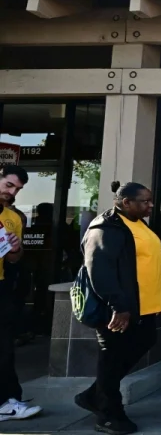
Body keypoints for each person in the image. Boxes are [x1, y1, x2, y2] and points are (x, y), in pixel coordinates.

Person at [76, 181, 161, 435]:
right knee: (111, 359)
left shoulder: (136, 223)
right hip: (118, 309)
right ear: (126, 202)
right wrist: (119, 305)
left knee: (145, 340)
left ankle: (94, 395)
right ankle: (108, 415)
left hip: (142, 307)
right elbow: (100, 270)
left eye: (150, 200)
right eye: (145, 201)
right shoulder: (106, 227)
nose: (150, 205)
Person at [0, 166, 41, 423]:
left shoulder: (12, 217)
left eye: (17, 189)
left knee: (4, 346)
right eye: (9, 185)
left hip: (2, 285)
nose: (12, 192)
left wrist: (15, 248)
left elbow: (15, 258)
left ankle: (8, 400)